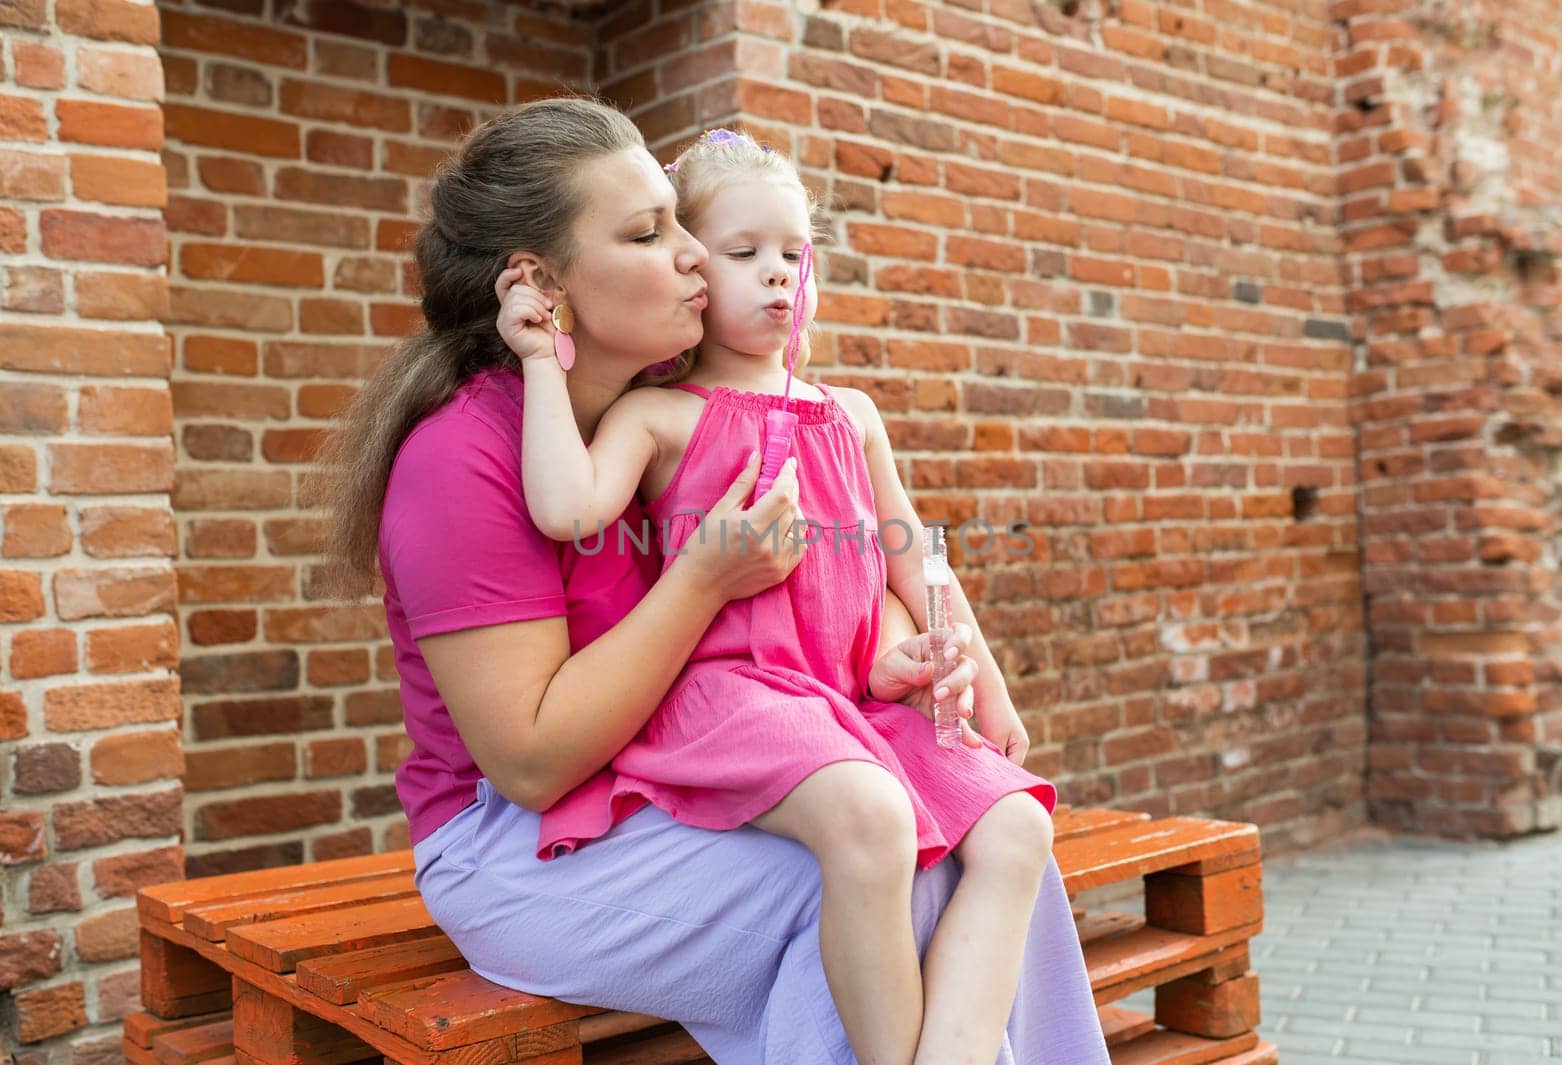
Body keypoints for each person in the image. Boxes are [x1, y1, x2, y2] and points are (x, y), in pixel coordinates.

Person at [318, 96, 1111, 1065]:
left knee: (969, 826)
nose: (694, 255)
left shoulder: (669, 410)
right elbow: (529, 760)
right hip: (515, 846)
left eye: (688, 229)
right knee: (874, 861)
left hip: (658, 783)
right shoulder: (462, 461)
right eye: (653, 233)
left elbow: (851, 555)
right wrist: (699, 581)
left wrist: (908, 641)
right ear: (540, 285)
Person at [497, 127, 1062, 1065]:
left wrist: (985, 681)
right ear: (693, 270)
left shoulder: (852, 414)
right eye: (744, 253)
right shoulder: (659, 416)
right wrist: (537, 364)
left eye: (794, 255)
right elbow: (564, 507)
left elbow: (912, 555)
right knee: (871, 817)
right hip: (736, 699)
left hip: (850, 704)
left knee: (1017, 823)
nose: (776, 276)